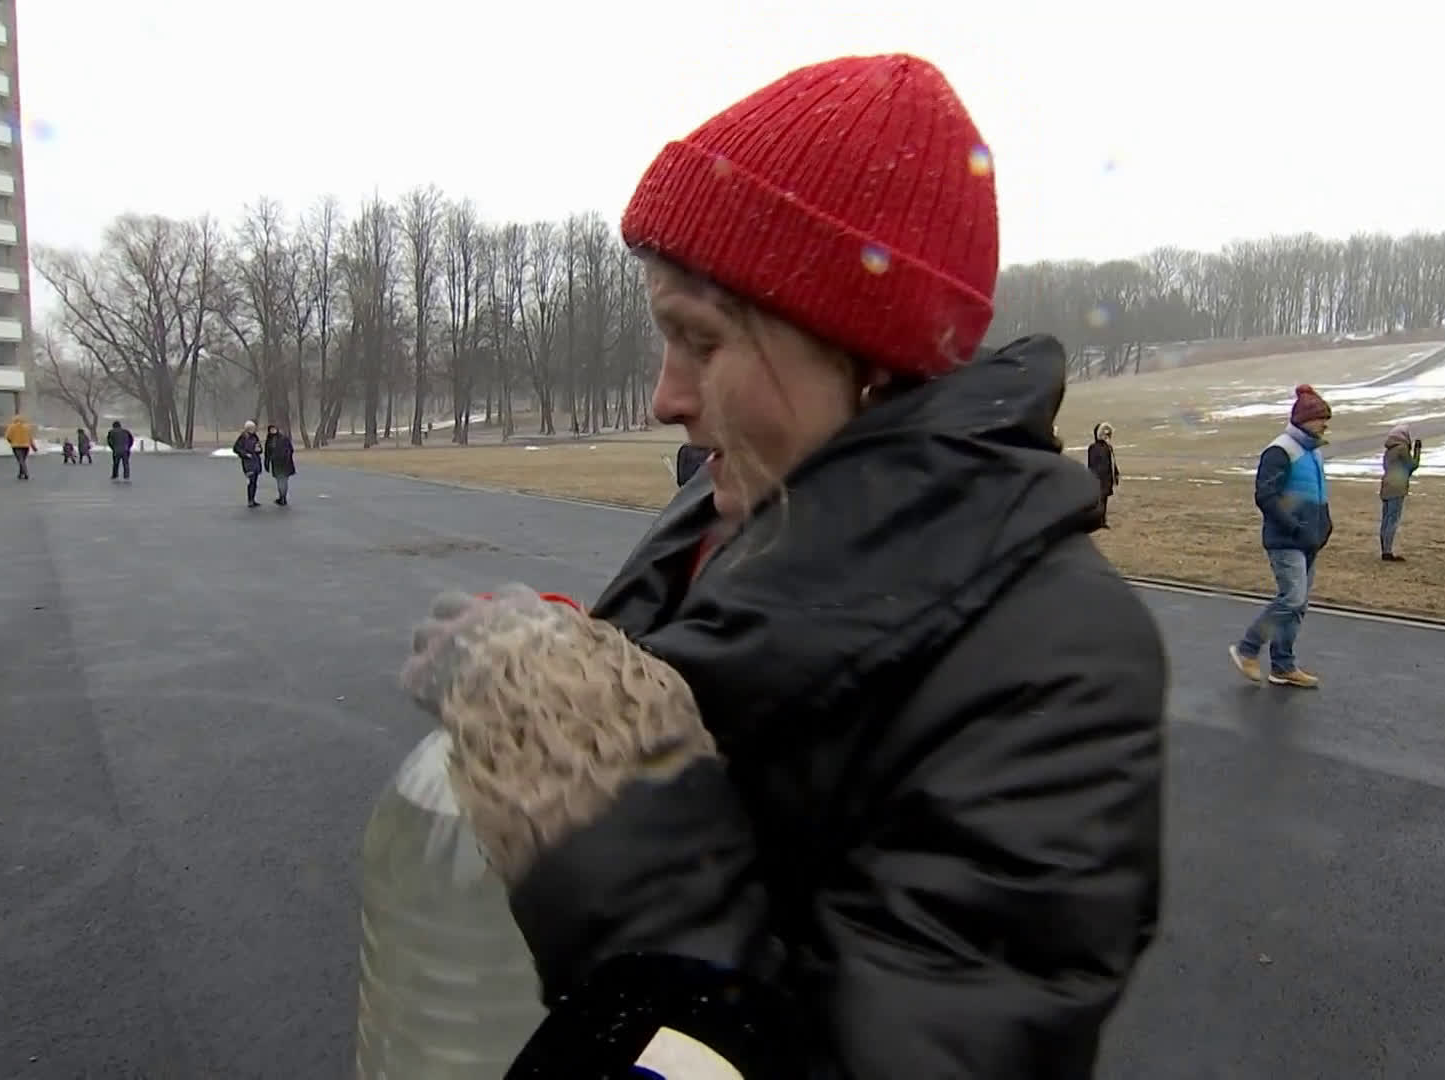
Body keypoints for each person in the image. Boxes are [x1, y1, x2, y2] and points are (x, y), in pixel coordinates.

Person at [397, 53, 1165, 1079]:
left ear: (866, 358)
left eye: (700, 340)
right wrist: (556, 673)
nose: (664, 398)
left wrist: (618, 832)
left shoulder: (1062, 661)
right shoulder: (730, 507)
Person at [1229, 384, 1333, 689]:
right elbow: (1266, 496)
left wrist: (1325, 525)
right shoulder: (1280, 450)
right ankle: (1248, 648)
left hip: (1310, 540)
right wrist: (1295, 527)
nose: (1325, 425)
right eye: (1321, 419)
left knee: (1298, 605)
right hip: (1286, 539)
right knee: (1292, 598)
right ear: (1305, 420)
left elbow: (1317, 495)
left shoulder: (1314, 453)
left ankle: (1283, 665)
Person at [1378, 425, 1421, 561]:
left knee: (1386, 519)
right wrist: (1417, 451)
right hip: (1397, 487)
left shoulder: (1388, 451)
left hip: (1386, 486)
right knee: (1393, 519)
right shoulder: (1402, 449)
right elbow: (1412, 465)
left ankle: (1384, 549)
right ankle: (1387, 551)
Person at [1087, 421, 1120, 526]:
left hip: (1105, 477)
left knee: (1103, 499)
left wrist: (1115, 473)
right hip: (1100, 477)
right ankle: (1099, 521)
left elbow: (1112, 462)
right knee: (1101, 500)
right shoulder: (1095, 447)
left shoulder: (1106, 447)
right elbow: (1092, 463)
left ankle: (1102, 520)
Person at [232, 421, 264, 507]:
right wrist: (245, 454)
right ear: (248, 428)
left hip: (256, 460)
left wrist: (259, 450)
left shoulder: (255, 437)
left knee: (254, 482)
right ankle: (250, 500)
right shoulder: (243, 437)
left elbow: (259, 448)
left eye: (254, 428)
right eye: (252, 428)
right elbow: (236, 448)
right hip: (248, 462)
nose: (254, 429)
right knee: (251, 481)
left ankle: (253, 499)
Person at [263, 424, 296, 507]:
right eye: (271, 429)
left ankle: (283, 498)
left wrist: (286, 457)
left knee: (283, 480)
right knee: (279, 481)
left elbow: (290, 449)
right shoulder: (269, 440)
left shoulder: (283, 438)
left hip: (285, 463)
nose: (273, 431)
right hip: (275, 463)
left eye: (274, 429)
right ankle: (282, 497)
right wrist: (266, 463)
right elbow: (267, 453)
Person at [4, 413, 36, 480]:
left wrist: (11, 442)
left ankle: (26, 473)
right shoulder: (27, 427)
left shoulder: (11, 427)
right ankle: (20, 474)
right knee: (22, 460)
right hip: (26, 446)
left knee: (21, 460)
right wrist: (33, 446)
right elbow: (30, 437)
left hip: (16, 446)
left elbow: (8, 437)